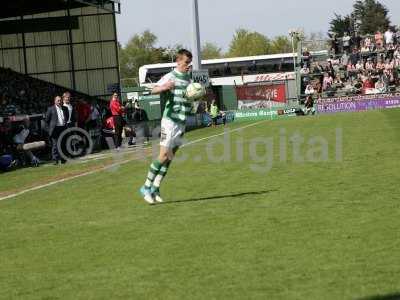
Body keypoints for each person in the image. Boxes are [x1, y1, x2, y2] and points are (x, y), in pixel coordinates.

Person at [139, 49, 193, 204]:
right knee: (163, 155)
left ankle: (155, 187)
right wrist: (165, 87)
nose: (188, 66)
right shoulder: (170, 76)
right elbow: (154, 89)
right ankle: (146, 186)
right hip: (169, 121)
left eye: (190, 63)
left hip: (181, 123)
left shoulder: (188, 79)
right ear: (178, 61)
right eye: (186, 62)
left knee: (169, 157)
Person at [46, 96, 69, 165]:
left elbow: (67, 117)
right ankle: (55, 160)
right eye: (58, 100)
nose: (59, 102)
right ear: (55, 101)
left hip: (63, 128)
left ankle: (63, 159)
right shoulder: (50, 109)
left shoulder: (65, 108)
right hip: (55, 129)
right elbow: (46, 120)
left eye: (60, 100)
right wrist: (49, 129)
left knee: (63, 144)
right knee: (55, 144)